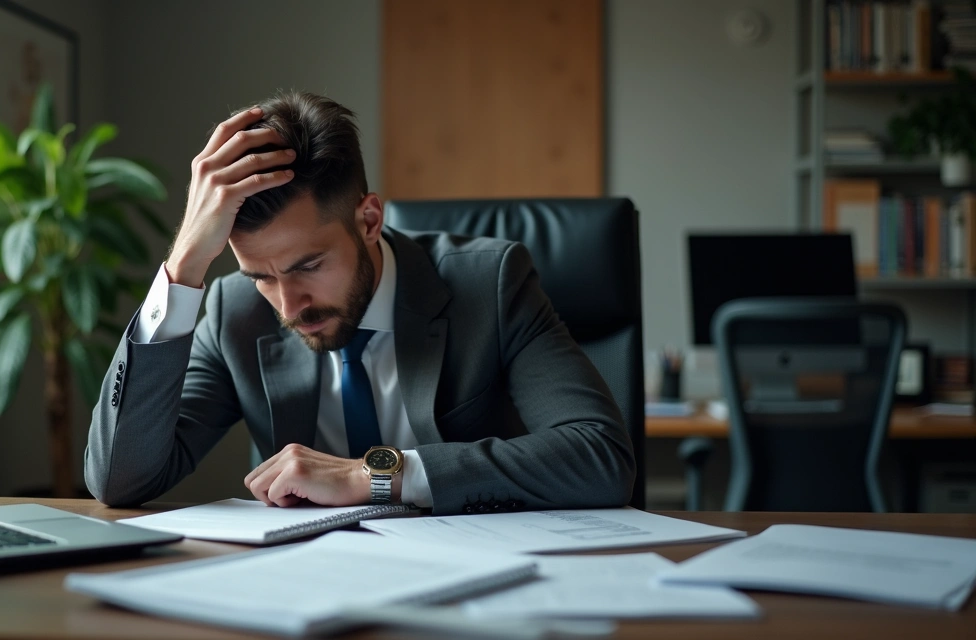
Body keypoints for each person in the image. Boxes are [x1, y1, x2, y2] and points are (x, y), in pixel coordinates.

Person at [84, 92, 634, 515]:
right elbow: (120, 480)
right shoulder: (234, 312)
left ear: (369, 220)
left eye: (308, 266)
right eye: (261, 277)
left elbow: (600, 457)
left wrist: (374, 474)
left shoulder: (489, 285)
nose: (288, 304)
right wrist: (183, 269)